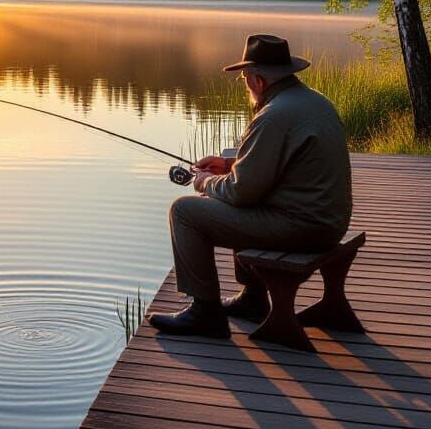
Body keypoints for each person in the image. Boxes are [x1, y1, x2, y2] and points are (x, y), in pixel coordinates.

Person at [148, 34, 353, 338]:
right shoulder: (312, 101)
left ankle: (205, 314)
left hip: (304, 227)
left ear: (258, 81)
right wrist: (229, 165)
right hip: (327, 222)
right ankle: (252, 300)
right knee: (240, 203)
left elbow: (241, 192)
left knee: (184, 212)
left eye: (244, 77)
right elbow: (282, 167)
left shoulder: (273, 116)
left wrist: (206, 182)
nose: (244, 83)